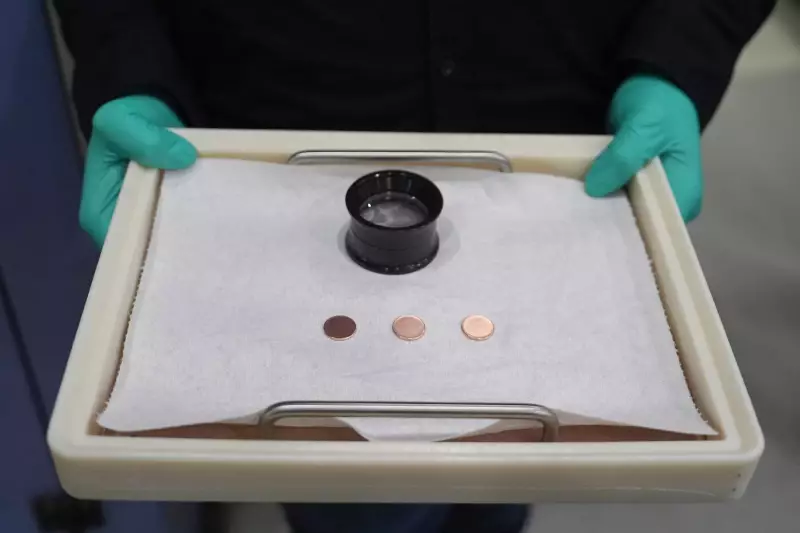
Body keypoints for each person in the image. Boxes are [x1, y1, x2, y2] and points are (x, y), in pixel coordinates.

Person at [54, 2, 774, 532]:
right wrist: (126, 66)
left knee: (509, 472)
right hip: (265, 173)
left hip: (560, 176)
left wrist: (678, 58)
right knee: (356, 507)